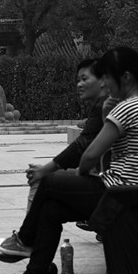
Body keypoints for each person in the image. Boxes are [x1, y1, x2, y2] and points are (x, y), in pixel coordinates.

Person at [0, 47, 138, 274]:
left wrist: (81, 172)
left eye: (107, 76)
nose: (105, 83)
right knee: (51, 210)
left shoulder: (127, 107)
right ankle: (35, 273)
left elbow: (90, 154)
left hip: (118, 194)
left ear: (126, 77)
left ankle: (25, 240)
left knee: (49, 182)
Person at [25, 59, 107, 211]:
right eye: (78, 80)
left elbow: (83, 146)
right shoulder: (104, 105)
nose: (79, 85)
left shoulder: (106, 106)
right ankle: (29, 234)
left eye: (84, 79)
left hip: (112, 186)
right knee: (51, 210)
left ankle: (25, 235)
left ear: (103, 80)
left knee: (44, 180)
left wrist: (45, 170)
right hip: (110, 181)